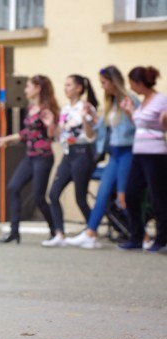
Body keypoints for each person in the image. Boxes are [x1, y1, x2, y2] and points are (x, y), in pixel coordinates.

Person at [66, 66, 138, 249]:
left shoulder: (130, 100)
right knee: (102, 194)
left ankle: (141, 235)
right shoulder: (111, 104)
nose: (103, 87)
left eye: (104, 83)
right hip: (114, 153)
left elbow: (138, 123)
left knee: (123, 197)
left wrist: (130, 112)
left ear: (114, 82)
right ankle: (91, 233)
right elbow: (100, 131)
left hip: (127, 151)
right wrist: (90, 116)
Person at [0, 75, 59, 244]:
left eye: (28, 86)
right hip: (30, 156)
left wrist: (51, 123)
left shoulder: (47, 109)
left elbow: (54, 136)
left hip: (43, 157)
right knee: (13, 188)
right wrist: (4, 140)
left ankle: (55, 231)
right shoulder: (31, 108)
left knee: (38, 196)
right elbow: (26, 133)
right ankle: (14, 232)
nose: (25, 89)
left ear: (38, 88)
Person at [42, 75, 99, 247]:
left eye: (69, 85)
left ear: (79, 88)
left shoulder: (87, 107)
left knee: (80, 197)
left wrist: (84, 117)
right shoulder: (65, 109)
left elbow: (91, 135)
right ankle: (59, 233)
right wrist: (51, 124)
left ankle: (92, 232)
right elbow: (58, 136)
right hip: (68, 153)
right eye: (65, 85)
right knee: (53, 193)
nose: (65, 88)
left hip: (82, 152)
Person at [118, 66, 167, 253]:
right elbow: (140, 125)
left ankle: (162, 238)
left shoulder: (161, 100)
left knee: (158, 198)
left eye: (132, 83)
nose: (131, 88)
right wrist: (130, 111)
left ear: (140, 83)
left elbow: (163, 124)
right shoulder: (143, 101)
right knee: (130, 194)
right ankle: (137, 236)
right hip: (139, 153)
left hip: (155, 154)